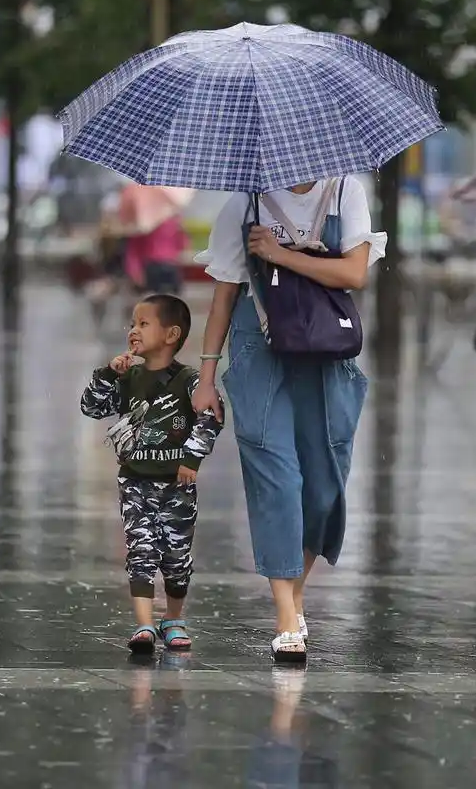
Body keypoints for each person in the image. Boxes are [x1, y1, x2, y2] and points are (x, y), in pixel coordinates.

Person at [191, 176, 384, 662]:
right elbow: (223, 295)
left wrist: (280, 254)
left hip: (325, 350)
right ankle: (284, 614)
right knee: (275, 475)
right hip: (259, 349)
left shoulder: (346, 192)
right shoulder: (244, 202)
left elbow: (355, 273)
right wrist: (207, 376)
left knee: (323, 484)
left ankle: (294, 594)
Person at [80, 294, 222, 653]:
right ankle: (144, 625)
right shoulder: (129, 378)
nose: (134, 331)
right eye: (132, 324)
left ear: (171, 334)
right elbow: (91, 407)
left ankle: (173, 618)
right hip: (135, 480)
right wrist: (109, 374)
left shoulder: (189, 381)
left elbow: (211, 418)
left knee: (176, 556)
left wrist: (192, 459)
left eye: (143, 324)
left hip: (178, 485)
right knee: (140, 550)